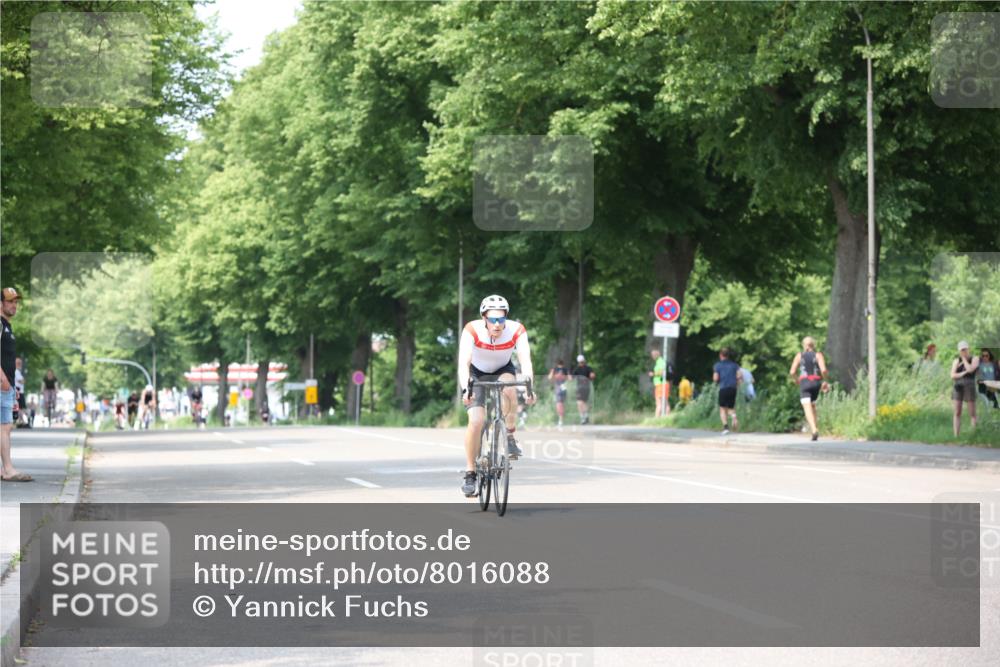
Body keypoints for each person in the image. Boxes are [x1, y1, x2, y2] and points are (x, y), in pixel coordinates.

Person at [458, 295, 535, 497]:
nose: (497, 324)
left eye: (501, 319)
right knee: (476, 420)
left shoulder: (516, 330)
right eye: (492, 319)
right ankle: (470, 472)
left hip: (503, 368)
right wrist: (466, 388)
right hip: (476, 372)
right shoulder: (471, 329)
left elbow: (525, 360)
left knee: (509, 387)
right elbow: (464, 362)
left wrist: (529, 387)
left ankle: (508, 434)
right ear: (484, 318)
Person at [1, 287, 31, 482]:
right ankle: (8, 468)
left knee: (5, 427)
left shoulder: (7, 326)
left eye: (16, 302)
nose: (14, 305)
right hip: (2, 383)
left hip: (8, 385)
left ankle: (4, 469)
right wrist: (3, 378)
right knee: (5, 426)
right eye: (10, 301)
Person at [789, 336, 830, 441]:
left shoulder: (799, 355)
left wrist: (797, 380)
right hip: (816, 382)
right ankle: (814, 429)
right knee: (813, 405)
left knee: (807, 407)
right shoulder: (818, 355)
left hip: (805, 382)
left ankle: (814, 429)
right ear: (813, 345)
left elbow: (792, 372)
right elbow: (824, 370)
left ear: (804, 345)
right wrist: (825, 381)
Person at [951, 341, 979, 436]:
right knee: (957, 412)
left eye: (965, 349)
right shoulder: (956, 360)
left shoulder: (974, 358)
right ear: (959, 350)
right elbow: (952, 375)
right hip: (958, 386)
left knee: (972, 413)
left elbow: (971, 370)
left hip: (970, 386)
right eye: (962, 350)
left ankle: (973, 435)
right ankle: (956, 435)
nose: (964, 351)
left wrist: (964, 359)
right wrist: (963, 373)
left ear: (968, 349)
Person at [713, 347, 742, 434]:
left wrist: (717, 380)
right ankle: (734, 417)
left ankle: (726, 428)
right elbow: (739, 376)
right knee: (731, 407)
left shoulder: (717, 365)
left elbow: (715, 378)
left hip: (723, 388)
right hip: (733, 388)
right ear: (728, 356)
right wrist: (737, 384)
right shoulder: (735, 365)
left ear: (721, 355)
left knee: (722, 408)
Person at [572, 355, 596, 424]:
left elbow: (593, 375)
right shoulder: (578, 369)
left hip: (583, 387)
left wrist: (592, 376)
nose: (581, 363)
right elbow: (572, 377)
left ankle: (584, 417)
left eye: (581, 362)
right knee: (582, 402)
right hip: (582, 387)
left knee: (580, 402)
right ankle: (585, 417)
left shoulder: (587, 368)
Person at [648, 349, 672, 417]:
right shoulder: (658, 362)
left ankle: (657, 419)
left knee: (660, 403)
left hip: (661, 384)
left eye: (653, 355)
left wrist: (653, 374)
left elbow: (662, 372)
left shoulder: (661, 361)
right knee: (663, 403)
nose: (652, 356)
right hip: (660, 384)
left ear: (656, 355)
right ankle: (665, 418)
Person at [548, 359, 569, 428]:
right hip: (563, 388)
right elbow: (570, 378)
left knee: (559, 404)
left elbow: (549, 378)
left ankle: (560, 420)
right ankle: (561, 420)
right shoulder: (565, 369)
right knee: (561, 404)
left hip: (559, 388)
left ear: (557, 363)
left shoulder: (555, 369)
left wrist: (555, 374)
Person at [14, 357, 27, 427]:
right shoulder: (16, 371)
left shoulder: (18, 371)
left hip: (19, 391)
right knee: (20, 407)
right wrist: (23, 380)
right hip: (19, 391)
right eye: (18, 363)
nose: (20, 364)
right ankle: (20, 421)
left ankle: (20, 420)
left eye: (20, 363)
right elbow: (21, 381)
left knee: (20, 407)